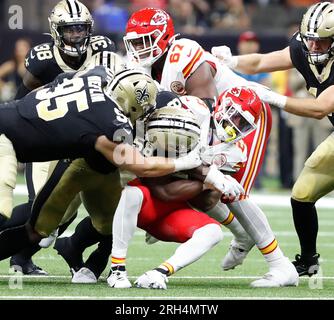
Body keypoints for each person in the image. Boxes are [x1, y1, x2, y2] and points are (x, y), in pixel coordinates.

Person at [122, 7, 298, 287]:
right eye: (135, 42)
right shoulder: (142, 69)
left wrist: (206, 167)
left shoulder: (184, 54)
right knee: (200, 193)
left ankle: (280, 264)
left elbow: (206, 111)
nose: (139, 48)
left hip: (240, 117)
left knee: (231, 191)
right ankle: (242, 235)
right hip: (203, 127)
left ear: (165, 37)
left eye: (146, 40)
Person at [211, 1, 334, 277]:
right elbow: (262, 61)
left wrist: (272, 97)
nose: (313, 48)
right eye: (310, 41)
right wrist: (229, 61)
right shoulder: (304, 48)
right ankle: (308, 260)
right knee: (302, 194)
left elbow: (320, 108)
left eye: (322, 43)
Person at [107, 87, 266, 289]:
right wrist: (207, 174)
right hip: (145, 199)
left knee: (213, 232)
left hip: (173, 211)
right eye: (236, 117)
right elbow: (162, 190)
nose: (235, 126)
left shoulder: (234, 154)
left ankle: (160, 273)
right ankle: (117, 270)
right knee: (131, 194)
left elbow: (206, 201)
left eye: (243, 124)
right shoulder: (193, 112)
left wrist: (208, 182)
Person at [7, 0, 116, 275]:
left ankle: (22, 259)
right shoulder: (43, 59)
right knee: (39, 207)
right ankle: (18, 256)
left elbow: (107, 85)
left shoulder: (101, 49)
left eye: (81, 29)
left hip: (81, 139)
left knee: (63, 208)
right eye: (70, 29)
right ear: (56, 31)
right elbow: (24, 98)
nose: (77, 35)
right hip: (48, 139)